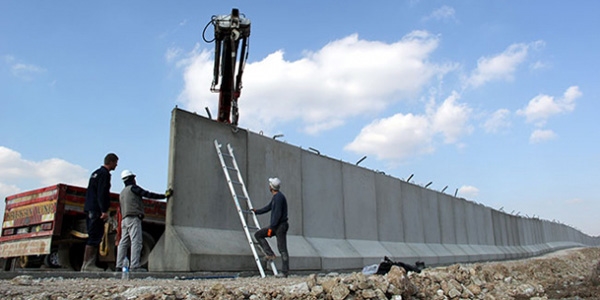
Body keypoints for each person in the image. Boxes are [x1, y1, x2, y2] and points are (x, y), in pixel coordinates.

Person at [116, 169, 173, 272]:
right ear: (132, 178)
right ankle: (134, 266)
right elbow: (148, 194)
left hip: (124, 220)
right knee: (136, 242)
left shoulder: (122, 193)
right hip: (134, 218)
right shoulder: (133, 188)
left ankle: (118, 266)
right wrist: (164, 195)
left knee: (123, 243)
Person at [82, 153, 118, 272]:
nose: (116, 165)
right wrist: (104, 210)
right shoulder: (104, 174)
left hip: (90, 208)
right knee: (95, 236)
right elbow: (102, 193)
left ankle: (86, 264)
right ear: (111, 162)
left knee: (92, 235)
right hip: (96, 210)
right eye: (116, 162)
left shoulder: (95, 173)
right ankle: (89, 265)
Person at [253, 177, 289, 277]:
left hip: (279, 226)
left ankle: (284, 272)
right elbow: (268, 207)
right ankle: (270, 254)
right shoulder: (277, 197)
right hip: (277, 226)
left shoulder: (278, 198)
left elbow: (277, 215)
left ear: (271, 187)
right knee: (258, 234)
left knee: (282, 249)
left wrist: (270, 229)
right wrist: (257, 211)